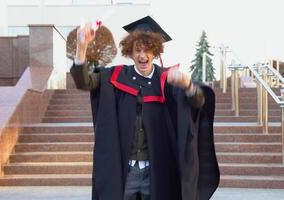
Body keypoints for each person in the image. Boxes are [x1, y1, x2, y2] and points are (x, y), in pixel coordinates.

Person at [70, 16, 219, 200]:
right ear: (130, 52)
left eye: (148, 50)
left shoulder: (168, 79)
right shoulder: (114, 76)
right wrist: (81, 47)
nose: (142, 55)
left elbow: (198, 103)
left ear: (155, 52)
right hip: (125, 172)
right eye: (137, 50)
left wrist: (188, 86)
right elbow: (84, 81)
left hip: (157, 171)